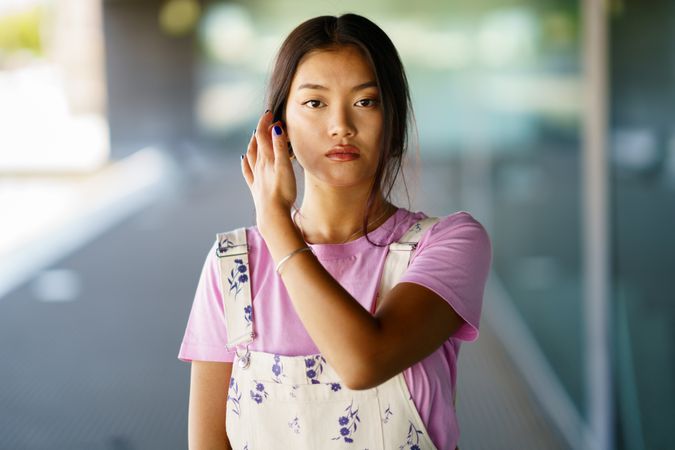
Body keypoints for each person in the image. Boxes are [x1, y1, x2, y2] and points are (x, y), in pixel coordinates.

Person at [178, 13, 492, 450]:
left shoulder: (448, 243)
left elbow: (364, 362)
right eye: (315, 103)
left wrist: (276, 226)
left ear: (395, 120)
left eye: (365, 101)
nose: (341, 125)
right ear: (277, 127)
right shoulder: (233, 267)